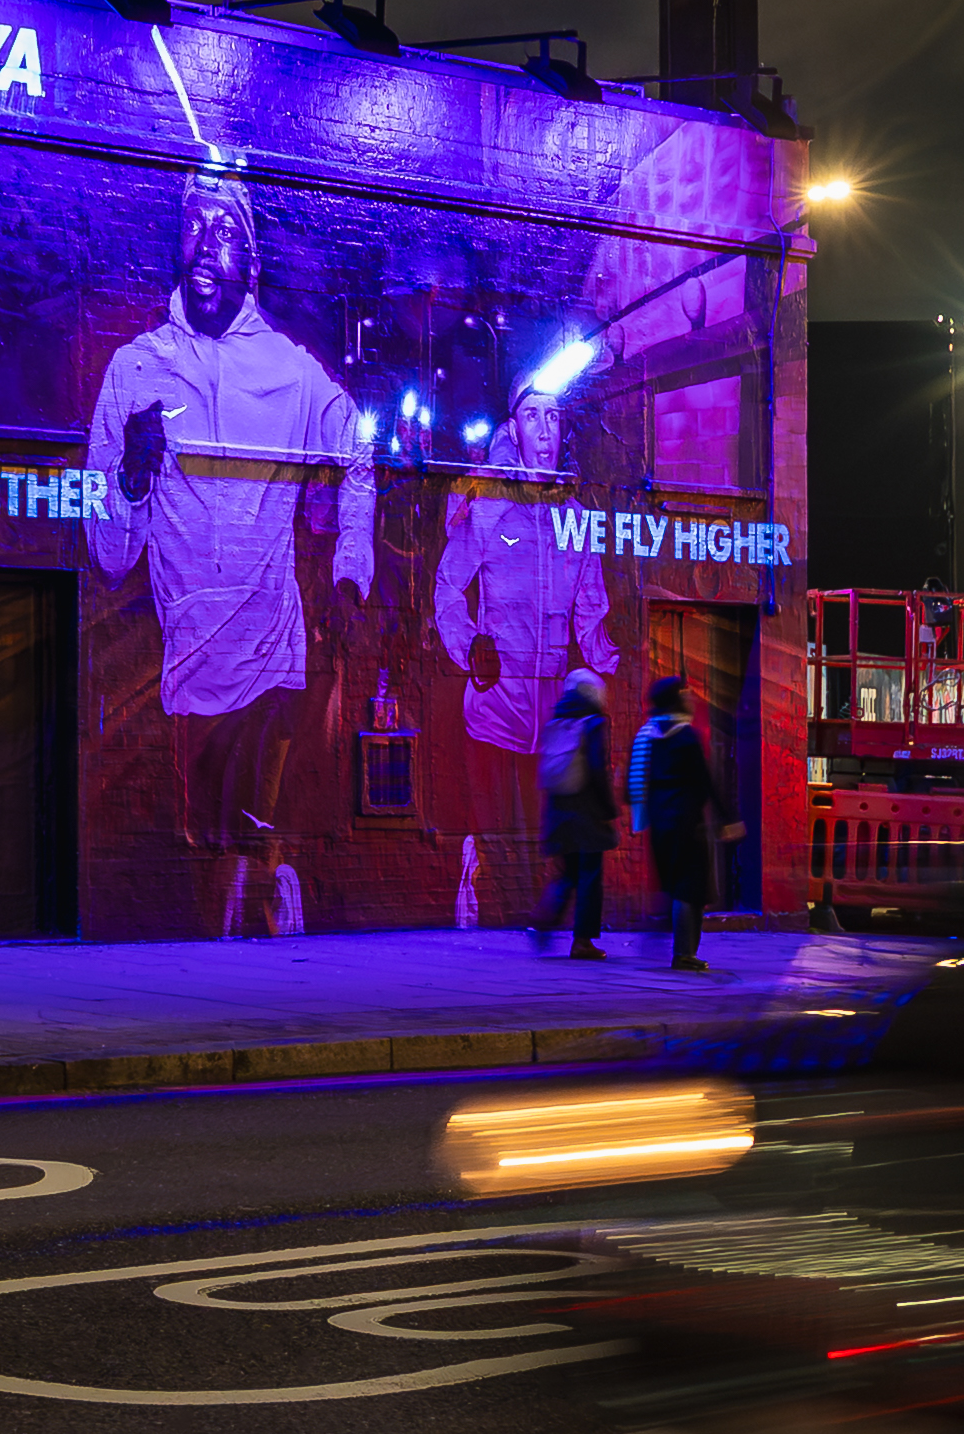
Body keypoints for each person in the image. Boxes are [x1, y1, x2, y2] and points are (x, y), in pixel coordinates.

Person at [85, 170, 376, 936]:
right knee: (205, 834)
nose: (207, 245)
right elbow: (109, 552)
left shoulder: (288, 368)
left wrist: (350, 574)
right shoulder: (133, 368)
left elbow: (359, 456)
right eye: (194, 226)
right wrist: (133, 478)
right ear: (175, 244)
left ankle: (262, 920)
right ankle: (247, 931)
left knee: (248, 827)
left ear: (252, 259)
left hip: (272, 648)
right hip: (187, 657)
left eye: (227, 232)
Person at [435, 374, 618, 925]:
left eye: (554, 416)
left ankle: (532, 931)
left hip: (552, 727)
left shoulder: (576, 521)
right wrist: (471, 647)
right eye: (533, 416)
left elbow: (591, 618)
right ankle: (482, 897)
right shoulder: (488, 510)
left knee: (543, 848)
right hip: (493, 714)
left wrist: (615, 670)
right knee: (500, 845)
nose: (546, 429)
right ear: (513, 429)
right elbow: (446, 592)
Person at [627, 674, 743, 973]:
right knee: (689, 889)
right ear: (676, 699)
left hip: (659, 822)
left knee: (677, 885)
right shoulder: (686, 736)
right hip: (687, 822)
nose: (691, 699)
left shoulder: (646, 735)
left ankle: (676, 947)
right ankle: (684, 954)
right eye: (686, 694)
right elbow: (705, 781)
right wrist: (726, 818)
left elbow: (634, 785)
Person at [530, 667, 619, 958]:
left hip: (559, 811)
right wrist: (608, 809)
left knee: (567, 873)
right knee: (590, 877)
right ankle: (583, 942)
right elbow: (597, 770)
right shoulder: (593, 723)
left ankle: (544, 920)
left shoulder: (556, 721)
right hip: (588, 811)